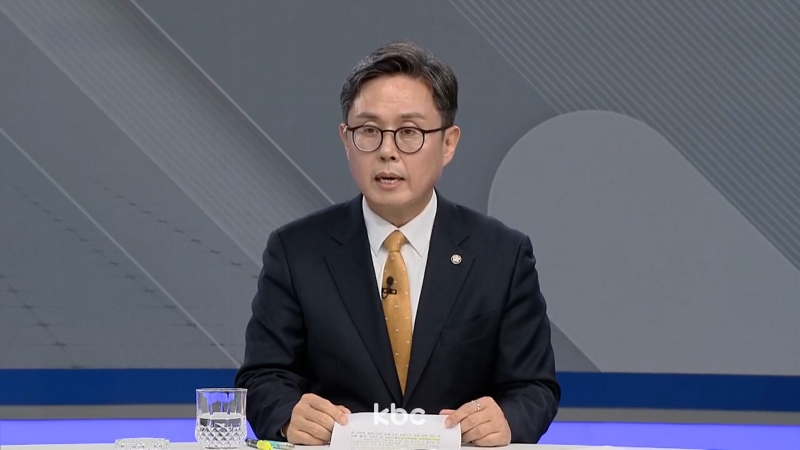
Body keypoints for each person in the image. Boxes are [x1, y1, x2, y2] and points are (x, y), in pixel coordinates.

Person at [234, 40, 560, 446]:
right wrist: (287, 414)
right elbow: (263, 377)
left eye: (409, 132)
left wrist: (507, 418)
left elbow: (533, 387)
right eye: (369, 131)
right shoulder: (296, 251)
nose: (387, 151)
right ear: (346, 139)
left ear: (449, 143)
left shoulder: (502, 255)